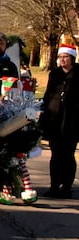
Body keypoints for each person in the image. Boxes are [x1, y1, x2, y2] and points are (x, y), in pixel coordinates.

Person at [41, 42, 79, 197]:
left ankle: (66, 187)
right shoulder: (55, 74)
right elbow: (48, 94)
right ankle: (54, 186)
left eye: (65, 57)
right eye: (60, 57)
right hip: (55, 119)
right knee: (55, 154)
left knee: (68, 154)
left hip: (73, 120)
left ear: (72, 58)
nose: (62, 60)